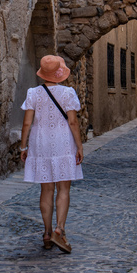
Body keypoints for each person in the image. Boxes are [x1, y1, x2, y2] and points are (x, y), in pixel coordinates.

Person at [20, 55, 84, 253]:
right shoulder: (68, 93)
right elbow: (73, 122)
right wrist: (79, 145)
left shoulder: (33, 93)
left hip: (40, 145)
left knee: (46, 190)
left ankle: (47, 233)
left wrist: (23, 147)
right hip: (63, 144)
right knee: (63, 189)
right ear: (60, 73)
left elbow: (27, 123)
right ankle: (59, 229)